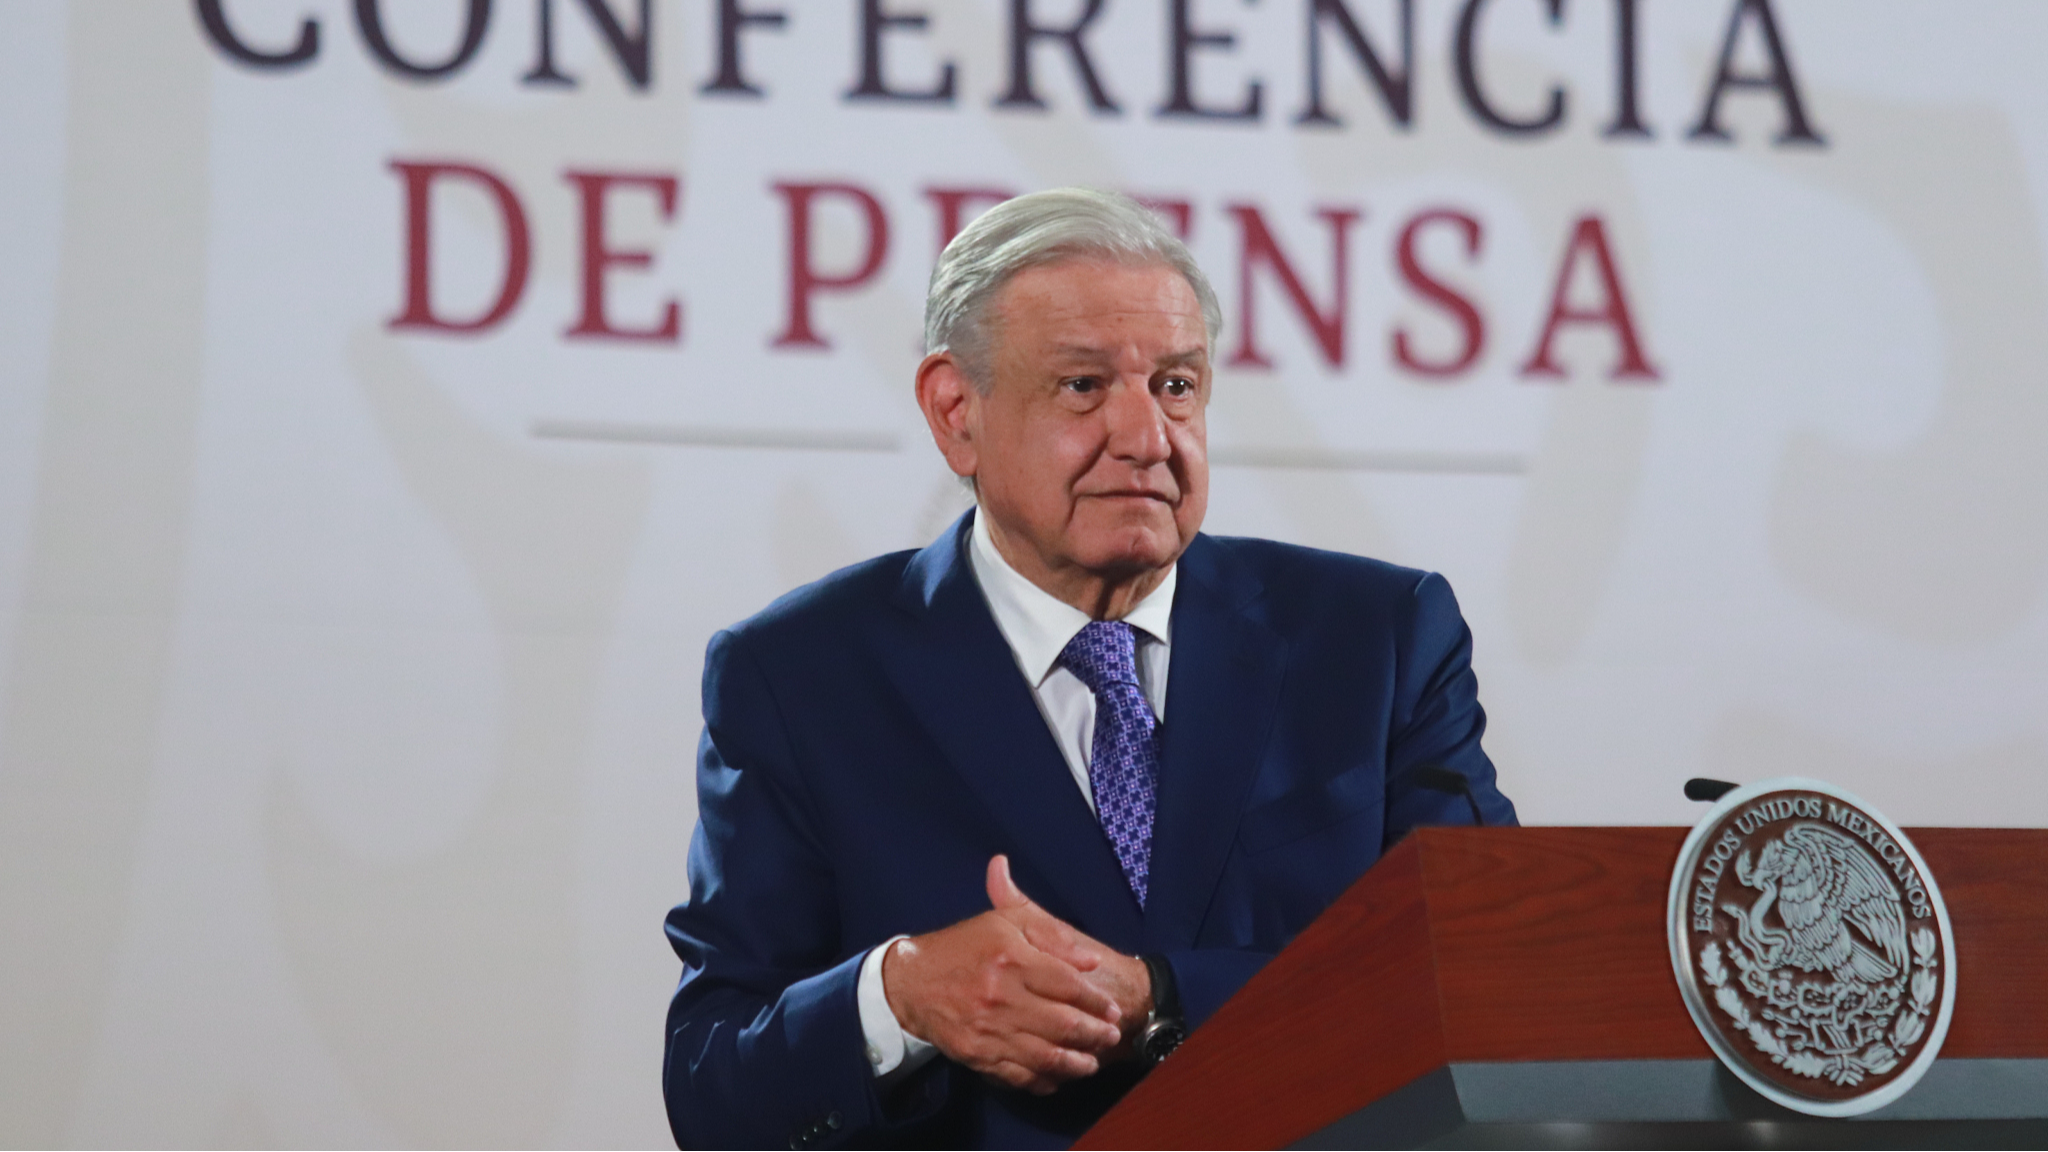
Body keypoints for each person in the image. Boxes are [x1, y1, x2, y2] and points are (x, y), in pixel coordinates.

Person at [662, 188, 1516, 1150]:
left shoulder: (1378, 639)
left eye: (1177, 387)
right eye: (1082, 387)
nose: (1148, 438)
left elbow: (1487, 970)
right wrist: (898, 997)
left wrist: (1160, 996)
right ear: (957, 413)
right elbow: (712, 1085)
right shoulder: (799, 678)